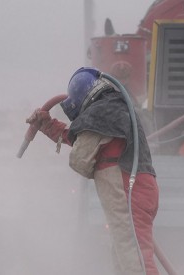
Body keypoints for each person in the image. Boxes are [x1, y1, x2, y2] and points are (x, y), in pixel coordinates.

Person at [26, 67, 159, 275]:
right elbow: (84, 139)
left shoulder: (100, 114)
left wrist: (91, 169)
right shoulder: (114, 110)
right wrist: (48, 125)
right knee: (125, 256)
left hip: (127, 193)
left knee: (134, 260)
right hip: (140, 190)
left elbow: (79, 159)